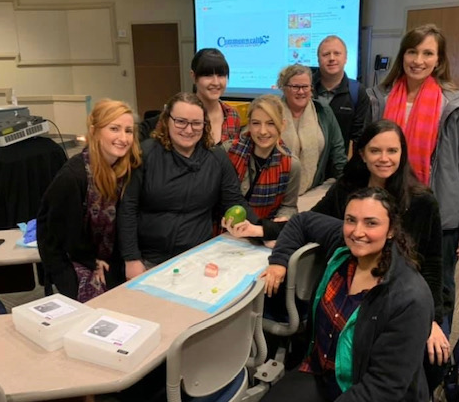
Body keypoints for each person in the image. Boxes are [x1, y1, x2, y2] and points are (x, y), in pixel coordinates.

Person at [254, 187, 433, 402]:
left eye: (371, 223)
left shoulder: (410, 298)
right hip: (321, 373)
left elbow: (384, 386)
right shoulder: (344, 246)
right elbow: (301, 221)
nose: (358, 232)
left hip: (371, 398)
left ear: (391, 231)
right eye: (351, 220)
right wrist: (279, 261)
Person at [311, 119, 448, 392]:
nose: (384, 159)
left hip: (398, 301)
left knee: (421, 361)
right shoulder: (347, 189)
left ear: (402, 154)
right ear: (362, 154)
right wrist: (264, 229)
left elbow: (432, 264)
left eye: (392, 151)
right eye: (375, 151)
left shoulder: (421, 201)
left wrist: (431, 318)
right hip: (350, 293)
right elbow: (313, 219)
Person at [367, 24, 459, 332]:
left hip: (439, 214)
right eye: (412, 51)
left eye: (427, 53)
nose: (418, 60)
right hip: (389, 207)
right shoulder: (381, 98)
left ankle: (436, 352)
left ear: (439, 59)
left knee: (438, 285)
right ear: (402, 54)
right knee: (389, 277)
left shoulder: (453, 104)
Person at [119, 92, 257, 278]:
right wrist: (131, 258)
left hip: (199, 257)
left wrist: (262, 230)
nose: (189, 129)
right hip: (148, 261)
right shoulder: (146, 153)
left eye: (196, 123)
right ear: (167, 120)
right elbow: (128, 208)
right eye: (181, 121)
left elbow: (233, 201)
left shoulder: (216, 158)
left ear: (204, 124)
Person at [37, 99, 141, 301]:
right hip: (70, 258)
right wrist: (91, 262)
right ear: (94, 131)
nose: (123, 138)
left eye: (128, 131)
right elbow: (61, 236)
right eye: (114, 129)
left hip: (107, 254)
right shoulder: (73, 176)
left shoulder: (125, 169)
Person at [138, 48, 241, 144]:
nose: (215, 82)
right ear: (193, 76)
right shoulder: (176, 113)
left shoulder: (232, 115)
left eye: (221, 75)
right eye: (208, 75)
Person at [225, 94, 301, 224]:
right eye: (256, 123)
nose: (263, 131)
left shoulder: (291, 165)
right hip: (224, 229)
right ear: (249, 124)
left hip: (262, 231)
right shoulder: (228, 151)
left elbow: (288, 206)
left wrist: (281, 220)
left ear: (282, 125)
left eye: (271, 123)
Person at [278, 64, 347, 195]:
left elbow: (338, 152)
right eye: (295, 87)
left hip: (313, 191)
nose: (301, 91)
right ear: (284, 88)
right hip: (276, 192)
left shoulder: (323, 111)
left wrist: (346, 186)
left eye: (305, 86)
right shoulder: (272, 112)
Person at [313, 35, 371, 150]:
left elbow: (358, 136)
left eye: (337, 53)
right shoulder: (305, 89)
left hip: (341, 163)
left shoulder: (357, 92)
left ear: (346, 58)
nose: (332, 58)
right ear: (318, 59)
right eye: (326, 54)